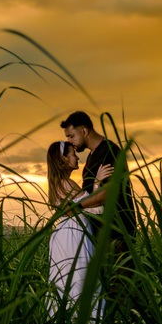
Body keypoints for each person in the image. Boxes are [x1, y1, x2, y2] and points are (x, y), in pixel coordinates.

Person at [61, 111, 136, 305]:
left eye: (71, 136)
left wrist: (74, 208)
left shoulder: (109, 152)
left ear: (84, 130)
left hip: (116, 233)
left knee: (119, 291)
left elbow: (108, 192)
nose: (70, 141)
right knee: (105, 291)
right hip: (100, 234)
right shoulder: (91, 159)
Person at [45, 140, 111, 317]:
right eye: (73, 153)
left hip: (63, 235)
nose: (77, 157)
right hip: (74, 235)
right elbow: (97, 208)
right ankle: (85, 322)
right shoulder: (68, 184)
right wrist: (97, 182)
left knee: (66, 279)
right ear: (63, 159)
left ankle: (64, 320)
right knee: (81, 278)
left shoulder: (56, 184)